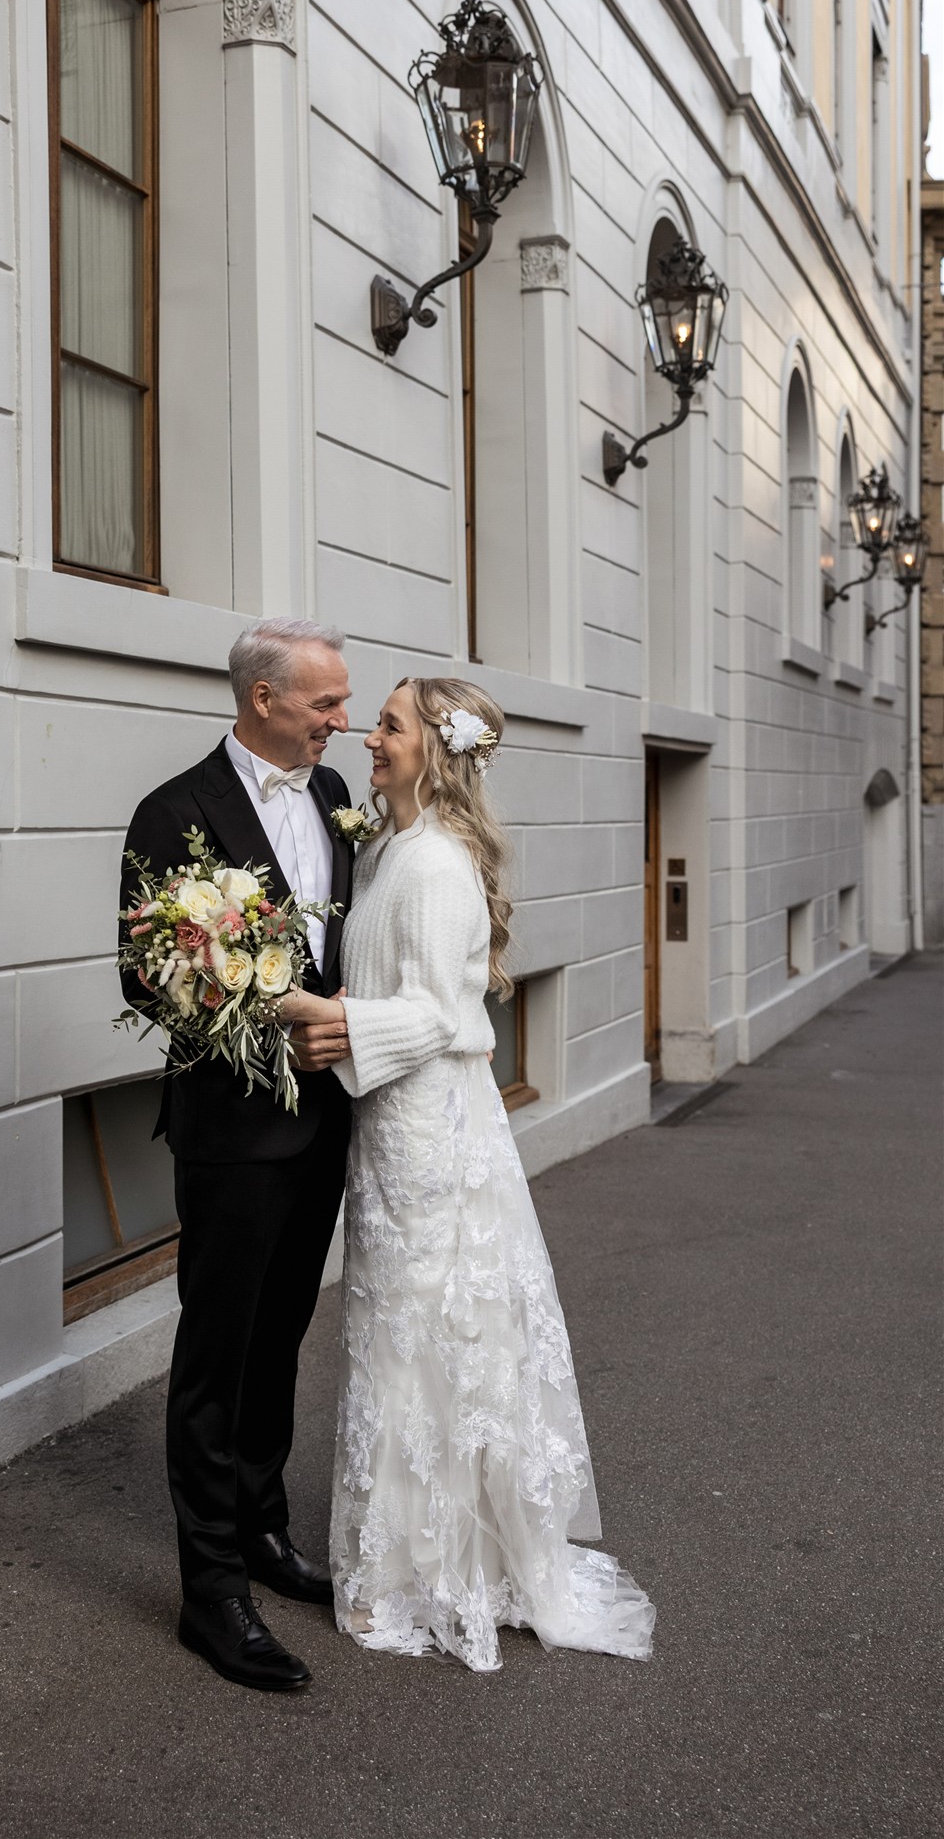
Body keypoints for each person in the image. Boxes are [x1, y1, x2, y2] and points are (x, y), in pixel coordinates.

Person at [277, 676, 656, 1668]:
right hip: (388, 1130)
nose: (370, 736)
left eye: (390, 724)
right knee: (393, 1343)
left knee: (422, 1347)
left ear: (433, 751)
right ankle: (404, 1559)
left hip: (432, 1138)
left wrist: (329, 1024)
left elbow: (452, 1019)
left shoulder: (438, 866)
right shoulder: (385, 847)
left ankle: (411, 1578)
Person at [119, 618, 355, 1692]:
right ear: (263, 699)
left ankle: (262, 1529)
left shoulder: (335, 795)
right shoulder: (174, 813)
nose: (338, 721)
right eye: (322, 703)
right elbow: (145, 977)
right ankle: (211, 1590)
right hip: (232, 1134)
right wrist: (272, 1010)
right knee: (218, 1356)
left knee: (282, 1339)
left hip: (326, 1125)